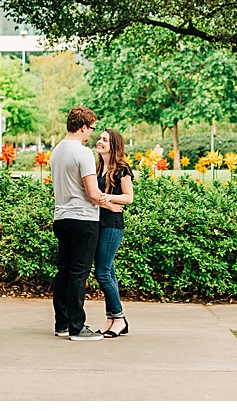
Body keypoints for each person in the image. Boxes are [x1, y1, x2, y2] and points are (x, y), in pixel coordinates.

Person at [51, 106, 117, 341]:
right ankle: (77, 328)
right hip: (83, 220)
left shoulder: (56, 151)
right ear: (82, 127)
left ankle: (62, 323)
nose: (91, 133)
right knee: (79, 273)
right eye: (91, 128)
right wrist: (111, 205)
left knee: (65, 272)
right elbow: (92, 192)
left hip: (61, 218)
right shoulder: (83, 153)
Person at [94, 128, 134, 338]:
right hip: (97, 224)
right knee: (108, 272)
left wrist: (107, 198)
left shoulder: (122, 169)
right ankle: (111, 319)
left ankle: (119, 317)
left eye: (104, 140)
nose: (99, 142)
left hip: (112, 225)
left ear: (113, 145)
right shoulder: (98, 167)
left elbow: (129, 198)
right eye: (99, 138)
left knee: (102, 272)